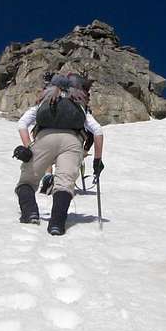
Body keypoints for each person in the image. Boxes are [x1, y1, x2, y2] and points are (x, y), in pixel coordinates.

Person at [12, 72, 105, 235]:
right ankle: (56, 223)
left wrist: (28, 147)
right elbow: (97, 131)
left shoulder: (44, 102)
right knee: (64, 183)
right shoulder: (79, 104)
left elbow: (22, 123)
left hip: (44, 138)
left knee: (27, 180)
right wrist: (97, 160)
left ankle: (30, 213)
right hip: (73, 141)